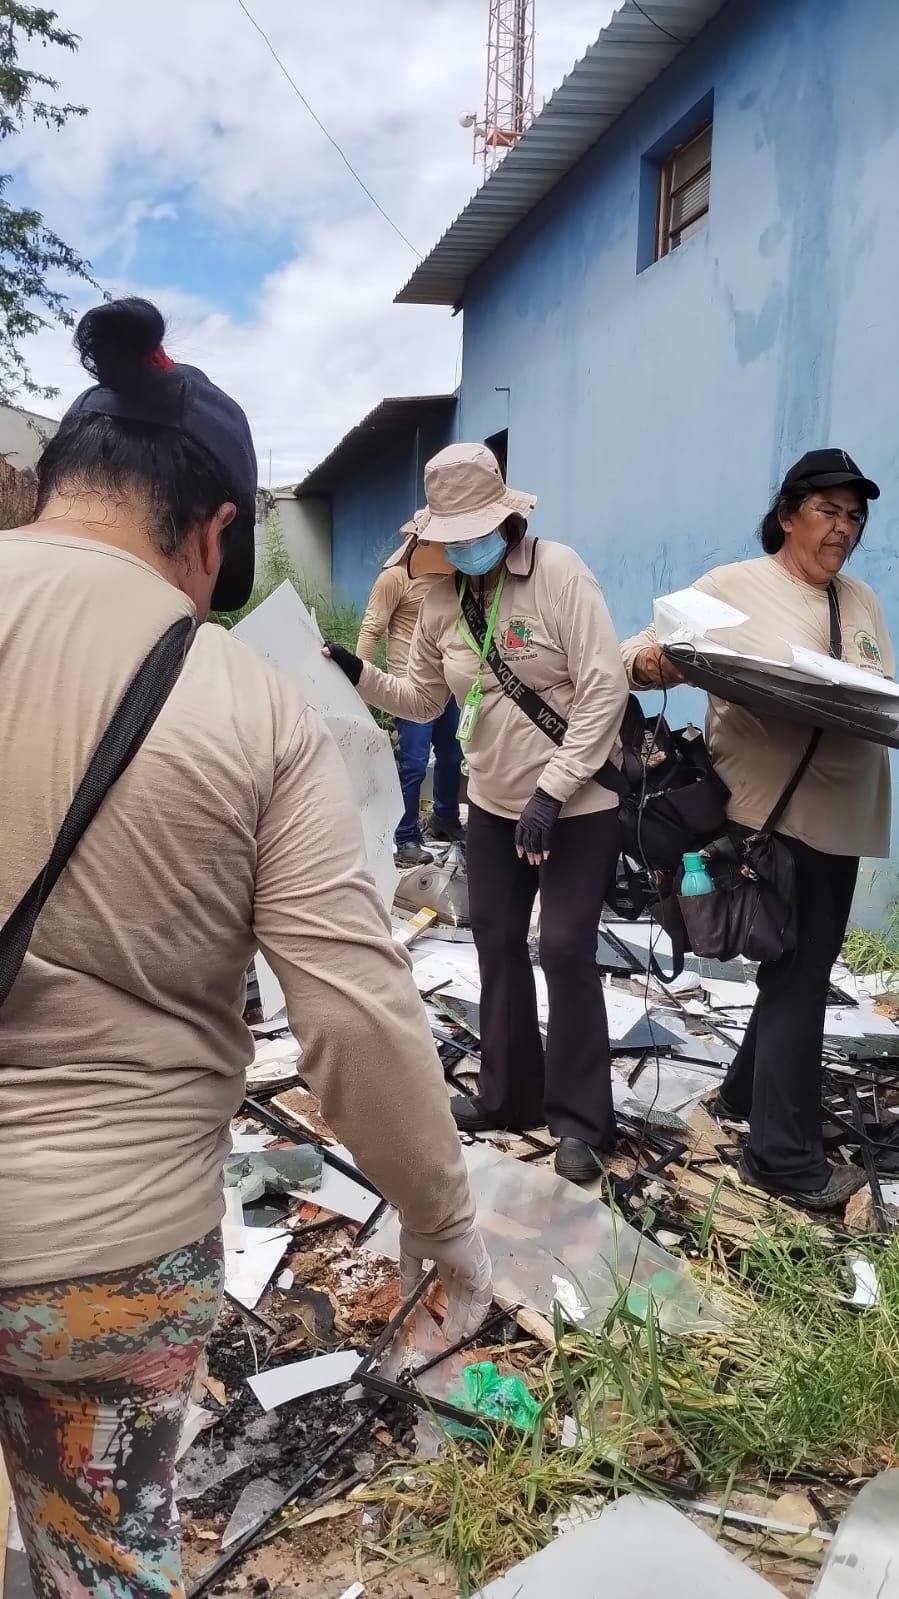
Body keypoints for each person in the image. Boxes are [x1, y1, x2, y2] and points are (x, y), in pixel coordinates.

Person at [0, 299, 491, 1599]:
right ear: (218, 534)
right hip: (106, 1268)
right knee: (103, 1567)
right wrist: (445, 1225)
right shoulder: (247, 700)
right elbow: (355, 1013)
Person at [325, 442, 629, 1184]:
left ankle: (583, 1120)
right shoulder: (438, 601)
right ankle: (507, 1096)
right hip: (493, 804)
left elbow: (604, 687)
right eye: (449, 536)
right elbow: (424, 701)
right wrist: (355, 672)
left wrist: (554, 790)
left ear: (504, 518)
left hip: (578, 802)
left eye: (474, 530)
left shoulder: (559, 573)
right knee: (494, 943)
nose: (464, 546)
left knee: (561, 946)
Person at [621, 448, 893, 1211]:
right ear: (786, 513)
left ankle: (744, 1095)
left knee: (795, 973)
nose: (842, 527)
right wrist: (657, 665)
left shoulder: (861, 599)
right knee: (799, 979)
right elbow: (631, 658)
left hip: (842, 817)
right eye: (827, 511)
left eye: (853, 514)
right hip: (768, 817)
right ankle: (782, 1158)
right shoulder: (731, 587)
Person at [357, 515, 465, 865]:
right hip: (408, 687)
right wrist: (358, 683)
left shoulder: (454, 578)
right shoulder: (394, 578)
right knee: (414, 764)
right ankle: (405, 836)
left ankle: (445, 817)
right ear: (418, 540)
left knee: (452, 756)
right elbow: (372, 629)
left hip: (449, 686)